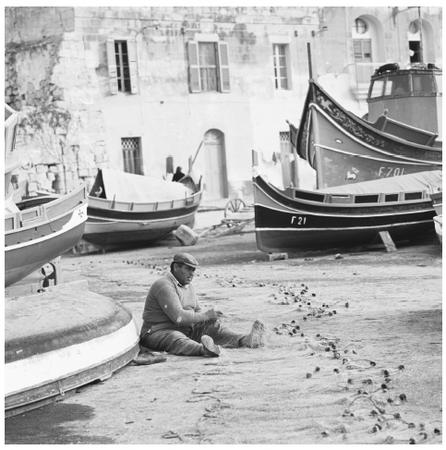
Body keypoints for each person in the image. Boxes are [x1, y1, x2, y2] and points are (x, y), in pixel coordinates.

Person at [139, 253, 265, 357]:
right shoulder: (164, 285)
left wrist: (210, 318)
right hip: (157, 332)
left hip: (186, 329)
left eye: (193, 270)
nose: (192, 273)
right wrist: (206, 315)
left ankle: (245, 340)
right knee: (175, 337)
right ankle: (203, 349)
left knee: (214, 326)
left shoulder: (189, 287)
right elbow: (178, 317)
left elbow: (197, 312)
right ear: (176, 267)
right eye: (188, 269)